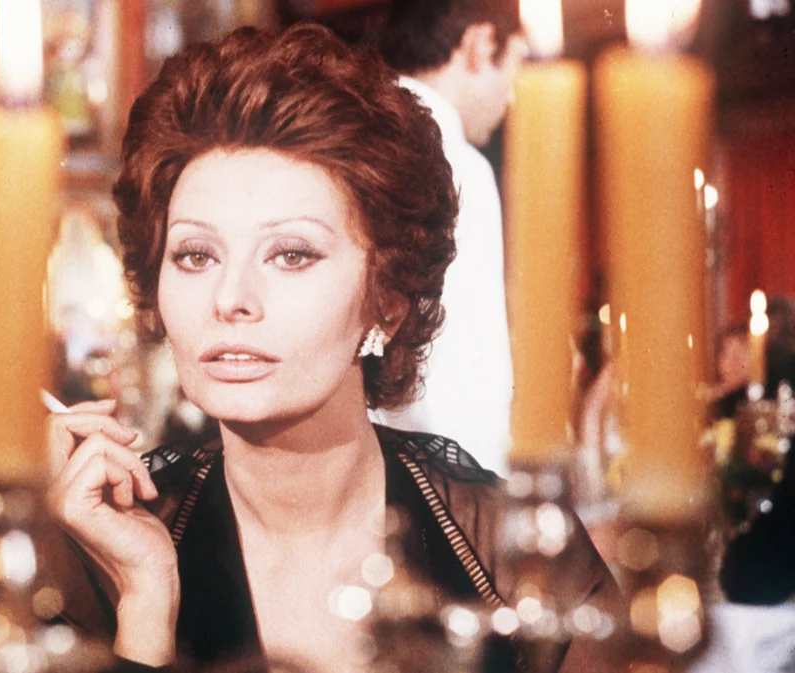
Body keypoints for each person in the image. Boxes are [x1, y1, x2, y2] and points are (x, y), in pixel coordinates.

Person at [40, 24, 615, 673]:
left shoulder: (514, 557)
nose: (231, 298)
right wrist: (146, 602)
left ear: (387, 300)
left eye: (291, 255)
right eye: (196, 255)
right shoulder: (98, 554)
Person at [364, 0, 528, 476]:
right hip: (436, 481)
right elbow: (461, 373)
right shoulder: (455, 163)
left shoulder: (354, 140)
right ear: (480, 46)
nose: (511, 98)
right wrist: (481, 496)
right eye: (515, 66)